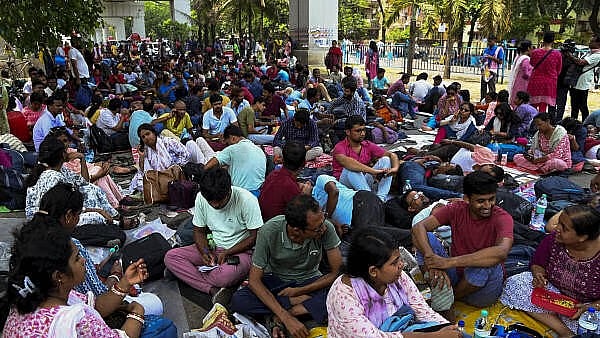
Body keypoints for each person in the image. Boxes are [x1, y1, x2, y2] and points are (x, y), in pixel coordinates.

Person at [31, 184, 163, 318]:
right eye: (78, 214)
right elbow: (99, 301)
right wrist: (117, 277)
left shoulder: (33, 241)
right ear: (68, 216)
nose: (81, 260)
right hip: (93, 309)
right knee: (155, 303)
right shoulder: (70, 245)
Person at [2, 220, 146, 338]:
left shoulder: (26, 299)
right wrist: (137, 312)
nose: (83, 260)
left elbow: (96, 307)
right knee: (159, 326)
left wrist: (125, 283)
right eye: (77, 258)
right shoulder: (76, 321)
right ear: (59, 276)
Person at [230, 195, 342, 338]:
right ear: (296, 230)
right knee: (239, 301)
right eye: (317, 228)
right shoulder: (269, 231)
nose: (323, 228)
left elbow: (336, 272)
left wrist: (299, 292)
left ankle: (280, 314)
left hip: (310, 281)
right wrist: (287, 319)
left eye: (323, 219)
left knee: (341, 292)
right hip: (275, 280)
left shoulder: (325, 228)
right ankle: (301, 307)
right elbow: (254, 280)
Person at [326, 227, 459, 338]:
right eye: (394, 262)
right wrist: (435, 336)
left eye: (399, 259)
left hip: (400, 330)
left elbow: (422, 310)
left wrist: (447, 327)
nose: (401, 264)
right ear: (373, 271)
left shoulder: (397, 276)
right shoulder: (343, 295)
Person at [413, 171, 514, 308]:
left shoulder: (503, 218)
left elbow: (502, 252)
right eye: (480, 201)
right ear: (467, 199)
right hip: (457, 275)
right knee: (426, 238)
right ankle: (442, 289)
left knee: (488, 261)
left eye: (491, 199)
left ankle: (447, 298)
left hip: (482, 292)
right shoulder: (456, 209)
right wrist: (431, 258)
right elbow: (419, 227)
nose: (487, 205)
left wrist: (447, 262)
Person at [500, 205, 600, 336]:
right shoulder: (553, 239)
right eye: (559, 223)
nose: (556, 228)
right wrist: (539, 274)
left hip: (586, 307)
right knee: (516, 283)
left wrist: (591, 307)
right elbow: (537, 263)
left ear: (582, 237)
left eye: (564, 228)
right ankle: (565, 332)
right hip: (553, 294)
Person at [164, 168, 262, 301]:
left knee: (223, 277)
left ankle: (187, 273)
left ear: (229, 191)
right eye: (211, 202)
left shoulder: (246, 200)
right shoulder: (201, 198)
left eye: (219, 201)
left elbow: (255, 237)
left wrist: (228, 252)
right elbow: (199, 231)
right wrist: (204, 251)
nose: (215, 205)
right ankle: (212, 289)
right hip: (213, 247)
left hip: (241, 252)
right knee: (171, 257)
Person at [25, 135, 118, 226]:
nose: (68, 148)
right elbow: (59, 208)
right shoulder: (52, 177)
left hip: (58, 212)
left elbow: (84, 182)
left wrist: (82, 159)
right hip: (47, 220)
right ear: (62, 155)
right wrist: (95, 210)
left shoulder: (61, 169)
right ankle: (114, 223)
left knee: (90, 188)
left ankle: (114, 216)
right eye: (65, 150)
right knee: (96, 216)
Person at [332, 115, 400, 202]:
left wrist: (394, 169)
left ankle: (381, 198)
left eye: (363, 130)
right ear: (348, 132)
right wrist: (373, 171)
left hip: (363, 183)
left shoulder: (367, 144)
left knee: (386, 160)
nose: (363, 133)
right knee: (351, 169)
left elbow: (391, 155)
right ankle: (372, 200)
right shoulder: (339, 147)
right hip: (345, 185)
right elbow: (349, 163)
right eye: (358, 131)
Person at [204, 125, 266, 197]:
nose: (227, 146)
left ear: (233, 138)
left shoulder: (233, 149)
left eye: (228, 143)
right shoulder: (259, 150)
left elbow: (209, 166)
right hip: (259, 193)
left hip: (240, 194)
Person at [259, 141, 312, 221]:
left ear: (282, 160)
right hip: (277, 226)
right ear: (304, 163)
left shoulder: (273, 174)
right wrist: (305, 196)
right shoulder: (290, 186)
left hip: (264, 218)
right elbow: (301, 215)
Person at [129, 123, 190, 192]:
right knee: (139, 182)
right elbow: (143, 171)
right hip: (158, 177)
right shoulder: (146, 150)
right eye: (143, 137)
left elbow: (186, 154)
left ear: (154, 133)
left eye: (148, 134)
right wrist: (142, 157)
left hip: (174, 174)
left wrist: (174, 167)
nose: (146, 138)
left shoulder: (167, 142)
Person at [526, 31, 562, 113]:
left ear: (543, 40)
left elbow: (532, 64)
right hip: (549, 83)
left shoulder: (535, 52)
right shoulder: (557, 54)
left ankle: (532, 122)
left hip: (536, 81)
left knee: (533, 105)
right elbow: (558, 70)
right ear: (553, 41)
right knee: (543, 106)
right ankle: (541, 122)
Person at [569, 36, 600, 121]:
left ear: (598, 44)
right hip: (577, 81)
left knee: (583, 106)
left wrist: (570, 56)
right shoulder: (589, 52)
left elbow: (581, 62)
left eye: (592, 41)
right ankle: (573, 123)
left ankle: (585, 123)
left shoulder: (597, 55)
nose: (590, 43)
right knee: (574, 105)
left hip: (583, 83)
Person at [507, 40, 533, 106]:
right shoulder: (526, 59)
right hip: (522, 84)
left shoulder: (518, 57)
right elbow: (526, 74)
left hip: (516, 82)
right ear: (528, 48)